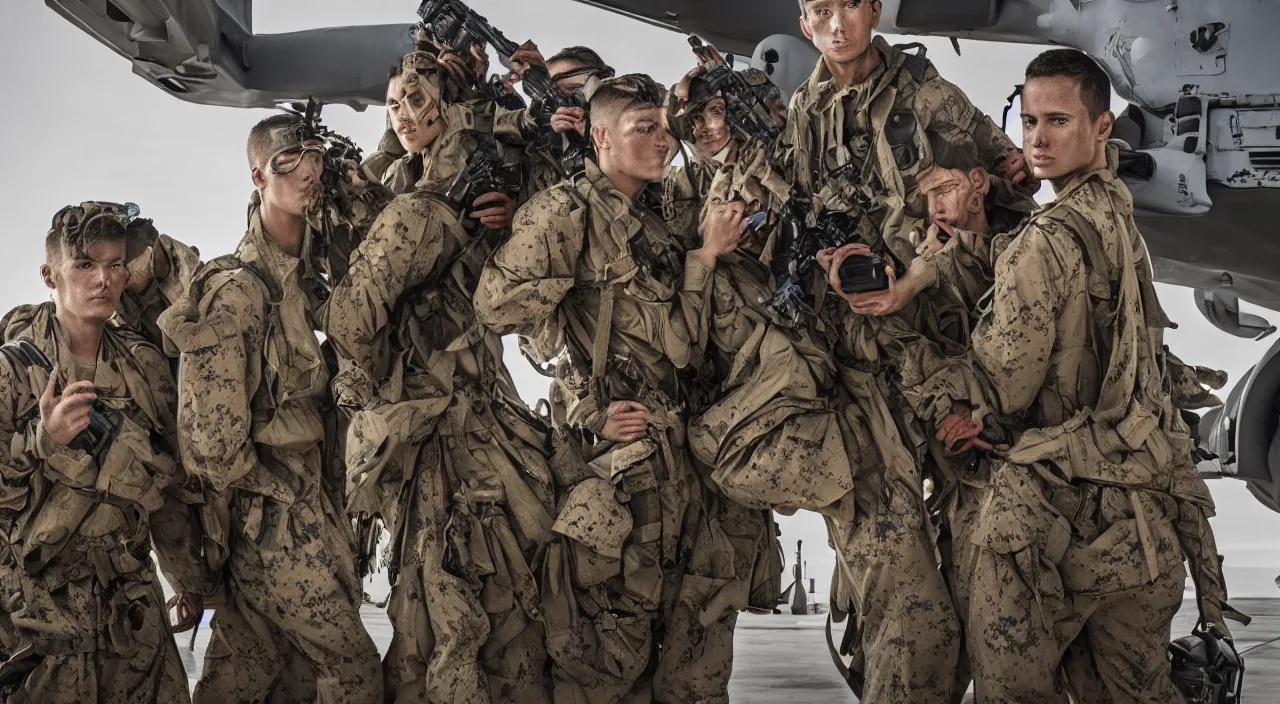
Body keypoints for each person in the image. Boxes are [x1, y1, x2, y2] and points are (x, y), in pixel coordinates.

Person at [909, 48, 1233, 702]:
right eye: (1028, 121)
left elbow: (1004, 389)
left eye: (1057, 121)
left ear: (1102, 129)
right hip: (1138, 531)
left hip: (1048, 527)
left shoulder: (1044, 240)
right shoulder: (1119, 223)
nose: (1037, 139)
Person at [475, 73, 749, 704]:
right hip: (624, 471)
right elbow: (505, 312)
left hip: (681, 452)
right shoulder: (567, 212)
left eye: (663, 128)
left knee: (696, 660)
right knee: (607, 664)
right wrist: (585, 405)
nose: (662, 142)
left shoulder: (658, 213)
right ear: (600, 136)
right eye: (642, 129)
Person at [325, 50, 558, 704]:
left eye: (419, 101)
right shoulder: (407, 193)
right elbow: (351, 317)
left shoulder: (468, 171)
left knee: (455, 592)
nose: (404, 115)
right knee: (439, 594)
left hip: (472, 408)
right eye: (395, 103)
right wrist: (379, 399)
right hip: (429, 423)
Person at [158, 113, 382, 703]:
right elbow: (209, 445)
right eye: (288, 159)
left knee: (257, 672)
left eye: (313, 154)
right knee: (354, 670)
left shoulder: (314, 276)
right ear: (258, 175)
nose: (307, 168)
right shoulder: (236, 290)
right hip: (273, 522)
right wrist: (275, 495)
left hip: (312, 503)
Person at [0, 204, 196, 702]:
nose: (103, 279)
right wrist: (44, 442)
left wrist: (185, 578)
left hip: (130, 600)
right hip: (43, 610)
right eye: (85, 264)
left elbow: (164, 484)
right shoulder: (13, 370)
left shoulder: (144, 364)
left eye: (114, 265)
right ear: (50, 274)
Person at [497, 45, 616, 200]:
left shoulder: (639, 135)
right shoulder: (544, 149)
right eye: (553, 93)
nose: (563, 102)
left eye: (574, 88)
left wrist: (596, 140)